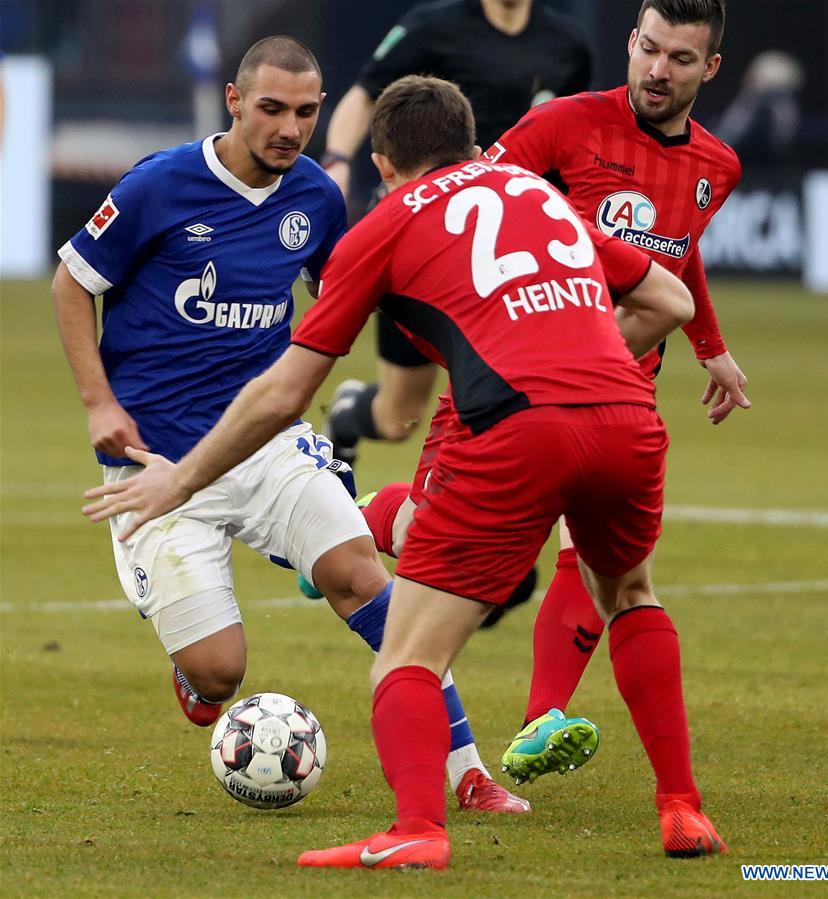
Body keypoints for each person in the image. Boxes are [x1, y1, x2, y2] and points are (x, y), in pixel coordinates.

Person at [81, 74, 727, 867]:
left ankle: (418, 826)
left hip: (517, 432)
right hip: (625, 415)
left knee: (407, 652)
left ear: (384, 165)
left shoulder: (385, 223)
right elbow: (669, 301)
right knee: (629, 595)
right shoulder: (540, 195)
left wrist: (180, 481)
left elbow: (287, 393)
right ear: (472, 143)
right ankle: (682, 810)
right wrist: (576, 361)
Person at [54, 37, 525, 815]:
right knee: (219, 670)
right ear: (234, 101)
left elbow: (354, 290)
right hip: (158, 463)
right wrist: (98, 402)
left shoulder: (314, 196)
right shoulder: (158, 186)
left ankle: (467, 772)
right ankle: (200, 680)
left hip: (266, 443)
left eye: (305, 112)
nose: (289, 128)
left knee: (368, 584)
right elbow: (72, 282)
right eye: (271, 108)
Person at [353, 0, 752, 782]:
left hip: (616, 391)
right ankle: (357, 521)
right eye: (647, 48)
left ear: (709, 68)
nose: (656, 70)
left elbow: (677, 256)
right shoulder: (563, 125)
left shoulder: (718, 167)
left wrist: (711, 347)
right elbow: (471, 193)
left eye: (678, 58)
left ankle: (542, 718)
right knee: (432, 531)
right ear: (630, 43)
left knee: (606, 566)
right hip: (508, 377)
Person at [320, 0, 591, 465]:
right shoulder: (432, 26)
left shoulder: (569, 44)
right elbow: (365, 93)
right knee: (398, 417)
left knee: (512, 382)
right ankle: (348, 417)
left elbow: (572, 133)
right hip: (427, 237)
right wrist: (338, 161)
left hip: (515, 242)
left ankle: (478, 490)